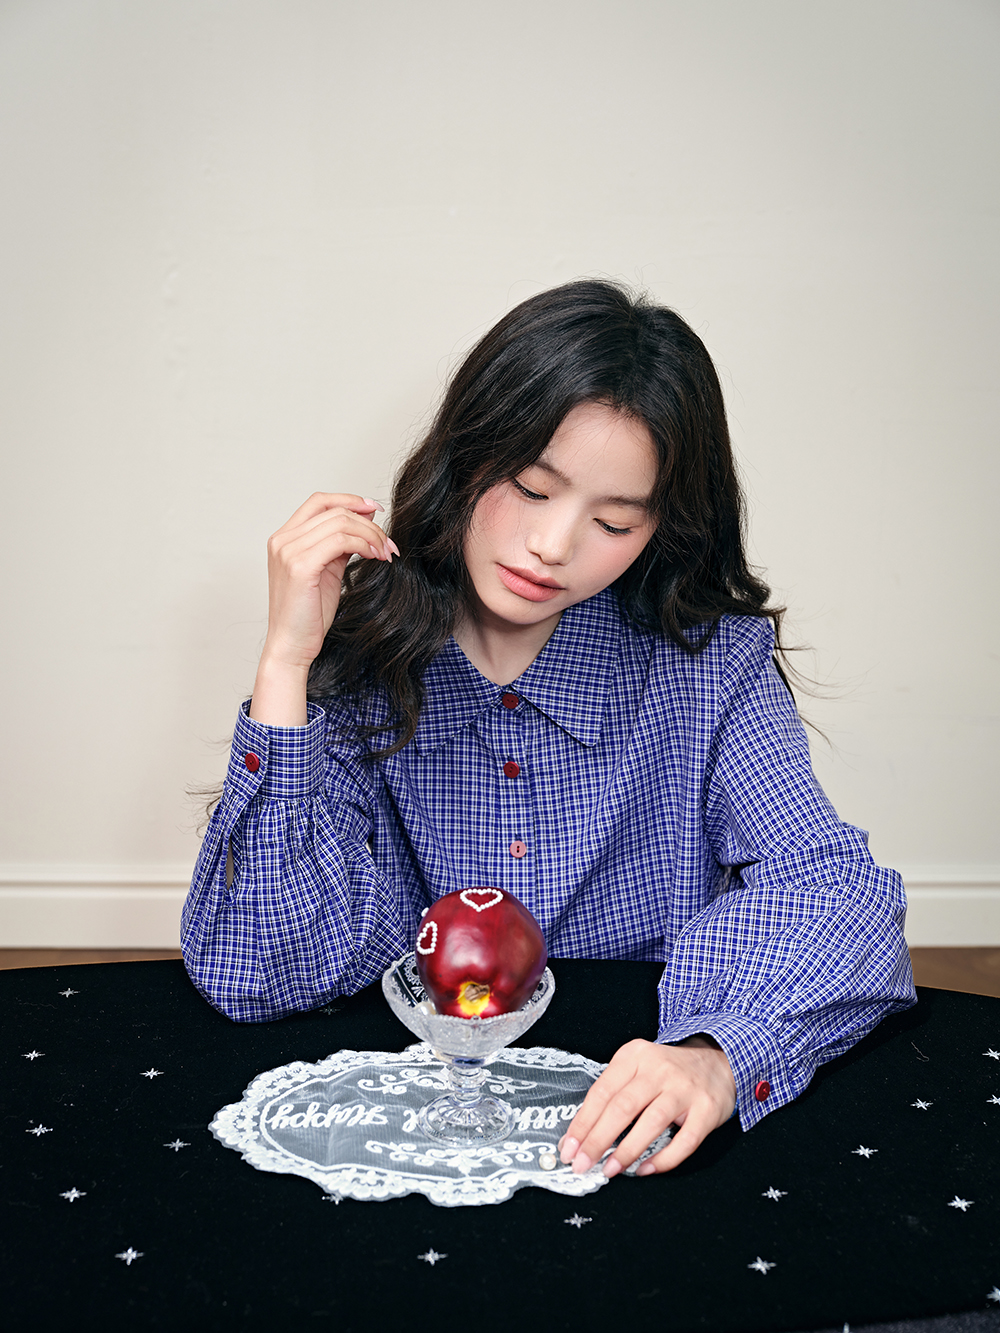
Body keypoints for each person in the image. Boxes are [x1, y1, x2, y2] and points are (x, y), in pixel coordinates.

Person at [182, 279, 915, 1179]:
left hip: (631, 1140)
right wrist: (287, 662)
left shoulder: (712, 663)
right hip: (414, 1134)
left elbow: (839, 894)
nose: (554, 545)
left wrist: (718, 1056)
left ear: (658, 530)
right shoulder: (365, 651)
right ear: (466, 456)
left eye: (613, 520)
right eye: (532, 487)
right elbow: (257, 970)